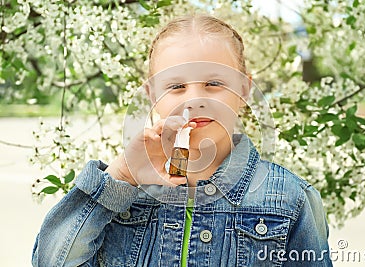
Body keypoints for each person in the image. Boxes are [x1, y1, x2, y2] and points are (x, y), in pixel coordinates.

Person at [32, 15, 333, 266]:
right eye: (176, 86)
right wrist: (120, 176)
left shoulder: (290, 198)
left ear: (244, 90)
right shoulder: (123, 190)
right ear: (151, 96)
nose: (196, 99)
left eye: (214, 83)